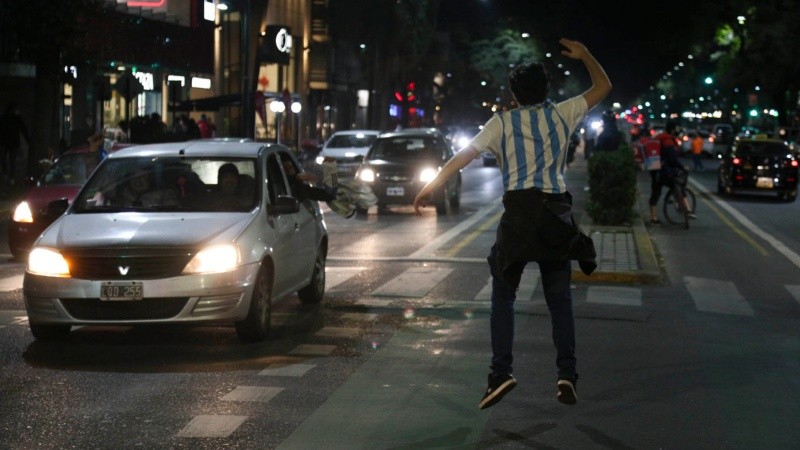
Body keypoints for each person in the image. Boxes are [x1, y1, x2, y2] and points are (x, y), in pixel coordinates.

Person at [413, 38, 611, 409]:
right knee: (559, 300)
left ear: (514, 94)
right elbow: (603, 87)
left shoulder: (500, 123)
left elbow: (462, 157)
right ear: (546, 89)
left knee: (503, 296)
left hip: (519, 216)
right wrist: (585, 55)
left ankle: (500, 373)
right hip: (555, 215)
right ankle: (566, 373)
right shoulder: (563, 114)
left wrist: (430, 187)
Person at [654, 121, 696, 220]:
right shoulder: (668, 141)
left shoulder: (660, 137)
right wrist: (682, 167)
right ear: (673, 130)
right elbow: (673, 159)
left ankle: (653, 217)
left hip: (656, 170)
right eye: (676, 129)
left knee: (656, 192)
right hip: (666, 171)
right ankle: (687, 210)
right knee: (680, 185)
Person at [0, 102, 31, 186]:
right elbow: (23, 130)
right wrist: (28, 140)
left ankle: (8, 175)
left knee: (7, 159)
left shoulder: (4, 118)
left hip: (6, 142)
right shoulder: (16, 118)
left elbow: (23, 129)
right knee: (11, 160)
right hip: (11, 142)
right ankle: (9, 176)